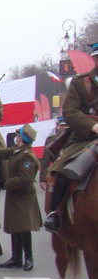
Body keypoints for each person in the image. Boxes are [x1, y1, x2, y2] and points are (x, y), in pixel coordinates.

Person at [44, 42, 98, 232]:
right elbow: (71, 112)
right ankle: (56, 213)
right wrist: (93, 126)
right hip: (86, 137)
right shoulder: (80, 83)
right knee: (63, 171)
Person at [0, 125, 41, 270]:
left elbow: (26, 179)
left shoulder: (27, 156)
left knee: (24, 228)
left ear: (23, 139)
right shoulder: (16, 150)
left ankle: (28, 258)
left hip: (23, 197)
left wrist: (6, 183)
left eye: (19, 136)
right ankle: (16, 258)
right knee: (15, 227)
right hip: (15, 196)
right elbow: (1, 152)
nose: (17, 137)